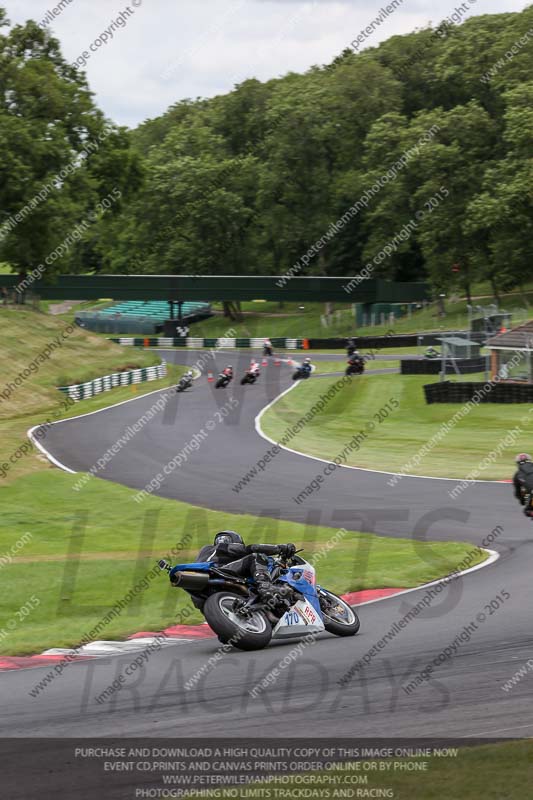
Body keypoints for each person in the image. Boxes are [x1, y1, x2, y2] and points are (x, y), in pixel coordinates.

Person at [194, 531, 296, 603]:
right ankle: (265, 586)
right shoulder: (222, 548)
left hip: (205, 593)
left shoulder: (206, 552)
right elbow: (253, 548)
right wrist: (280, 548)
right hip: (217, 571)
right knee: (256, 556)